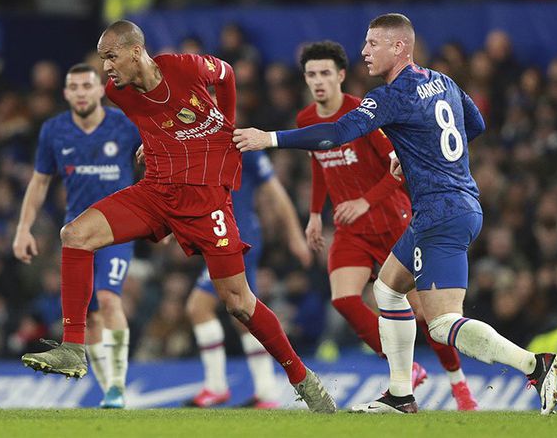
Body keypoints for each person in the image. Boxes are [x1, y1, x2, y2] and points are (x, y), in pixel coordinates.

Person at [233, 13, 557, 415]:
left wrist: (268, 138)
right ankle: (400, 394)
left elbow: (335, 133)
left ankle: (534, 364)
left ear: (399, 47)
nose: (364, 51)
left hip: (440, 212)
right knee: (387, 289)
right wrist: (420, 156)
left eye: (373, 44)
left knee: (441, 324)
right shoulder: (443, 81)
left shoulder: (390, 95)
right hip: (454, 206)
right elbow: (473, 124)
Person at [20, 20, 336, 413]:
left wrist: (226, 124)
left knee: (239, 302)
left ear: (136, 51)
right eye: (103, 60)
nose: (107, 68)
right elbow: (155, 124)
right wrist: (150, 146)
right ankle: (72, 347)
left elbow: (228, 73)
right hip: (156, 192)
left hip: (207, 204)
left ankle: (302, 379)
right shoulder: (118, 93)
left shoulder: (184, 68)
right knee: (75, 234)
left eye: (111, 57)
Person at [296, 41, 477, 410]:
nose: (318, 81)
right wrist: (316, 212)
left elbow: (398, 170)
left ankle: (460, 386)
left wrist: (364, 200)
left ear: (341, 76)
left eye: (325, 73)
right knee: (344, 298)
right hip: (351, 228)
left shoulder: (363, 114)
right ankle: (406, 368)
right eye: (311, 74)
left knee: (425, 312)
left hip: (392, 218)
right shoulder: (305, 121)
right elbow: (319, 164)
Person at [13, 63, 142, 409]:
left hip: (119, 229)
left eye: (88, 85)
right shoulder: (54, 131)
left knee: (109, 298)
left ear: (100, 90)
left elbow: (160, 149)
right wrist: (24, 228)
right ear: (66, 93)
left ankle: (117, 384)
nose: (82, 92)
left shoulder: (125, 125)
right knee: (93, 314)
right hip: (78, 233)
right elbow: (40, 182)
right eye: (75, 87)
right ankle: (109, 389)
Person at [185, 149, 311, 408]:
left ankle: (216, 386)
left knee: (198, 307)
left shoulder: (244, 149)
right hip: (224, 238)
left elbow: (277, 194)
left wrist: (295, 235)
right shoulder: (199, 148)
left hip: (235, 240)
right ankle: (266, 392)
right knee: (245, 315)